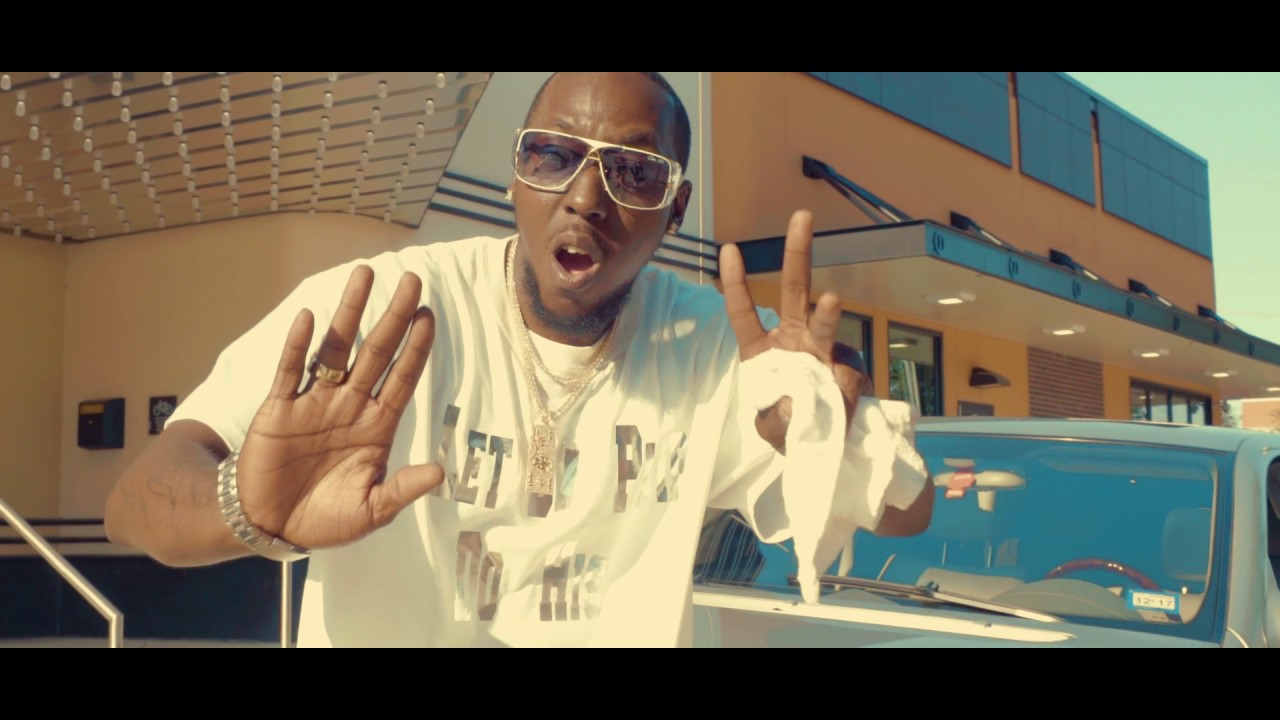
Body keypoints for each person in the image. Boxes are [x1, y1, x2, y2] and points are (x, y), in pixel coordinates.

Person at [105, 71, 933, 647]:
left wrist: (830, 435)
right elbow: (132, 504)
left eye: (634, 172)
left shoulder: (720, 350)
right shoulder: (385, 309)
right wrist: (247, 508)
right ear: (514, 175)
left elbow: (909, 513)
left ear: (676, 207)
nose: (586, 197)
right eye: (553, 156)